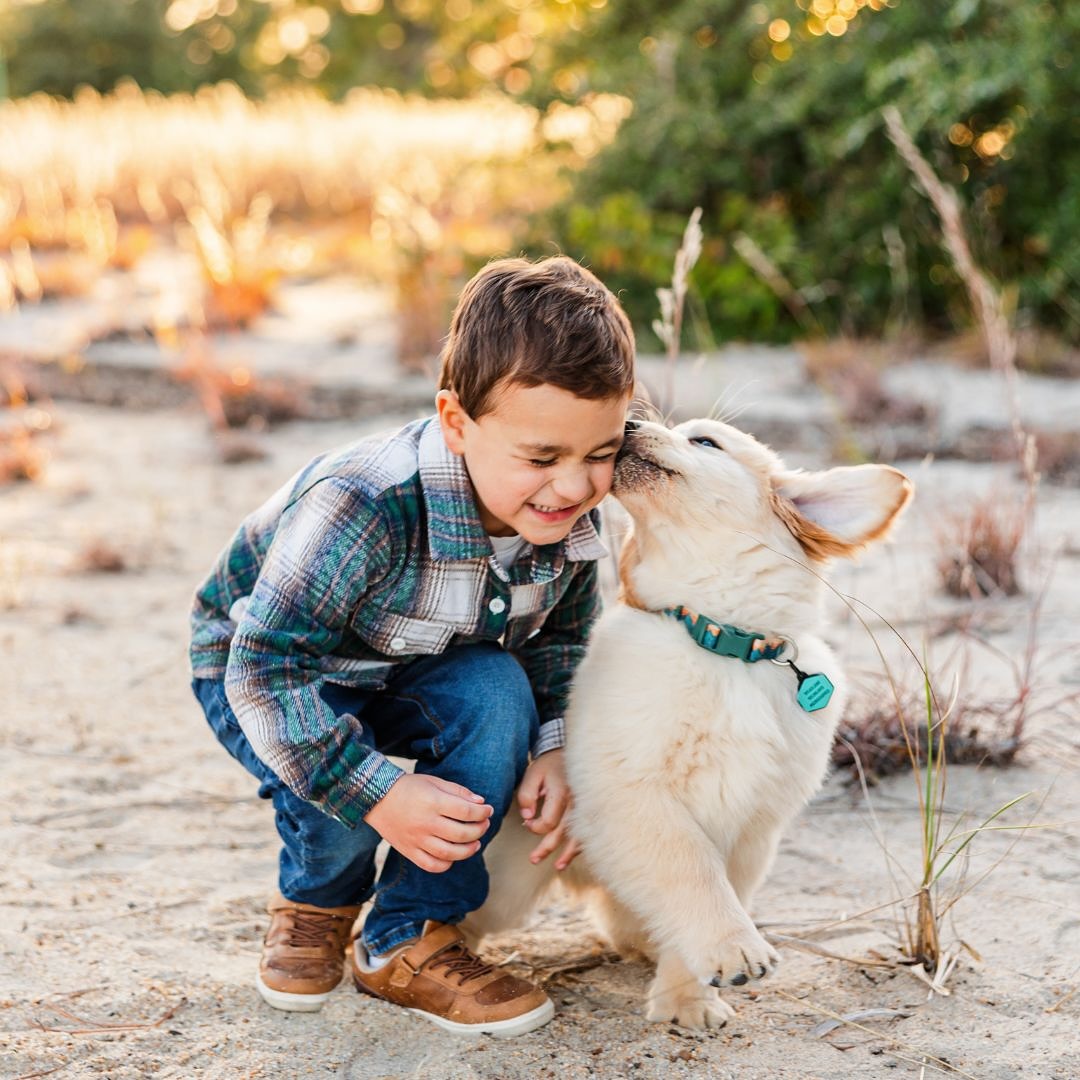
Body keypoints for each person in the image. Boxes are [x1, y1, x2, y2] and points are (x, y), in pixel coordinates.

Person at [189, 255, 635, 1037]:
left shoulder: (565, 521)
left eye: (600, 454)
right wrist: (382, 795)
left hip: (414, 658)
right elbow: (268, 671)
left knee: (500, 696)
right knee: (344, 799)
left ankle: (409, 934)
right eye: (542, 458)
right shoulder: (364, 505)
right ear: (457, 422)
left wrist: (556, 746)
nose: (572, 487)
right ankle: (317, 903)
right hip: (274, 669)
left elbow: (560, 641)